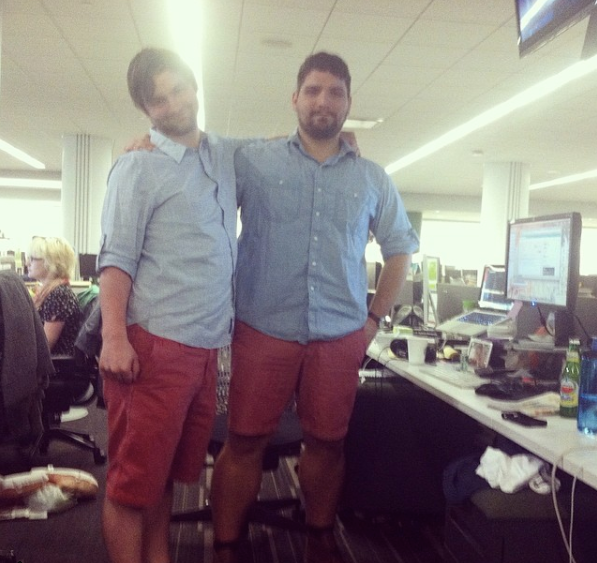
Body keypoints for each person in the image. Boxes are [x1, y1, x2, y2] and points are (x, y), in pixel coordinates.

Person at [209, 52, 419, 563]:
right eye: (314, 90)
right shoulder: (253, 159)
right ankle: (226, 544)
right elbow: (196, 153)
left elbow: (400, 251)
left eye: (336, 92)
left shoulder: (372, 177)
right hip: (263, 328)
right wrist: (148, 140)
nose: (324, 101)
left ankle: (321, 538)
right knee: (244, 442)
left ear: (348, 103)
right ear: (295, 98)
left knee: (327, 443)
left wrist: (372, 322)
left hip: (339, 333)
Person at [97, 47, 254, 563]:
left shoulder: (223, 155)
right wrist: (113, 337)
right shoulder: (138, 167)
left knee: (163, 476)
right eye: (157, 100)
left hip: (205, 348)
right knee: (129, 484)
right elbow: (116, 260)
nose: (172, 104)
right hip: (153, 346)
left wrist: (334, 137)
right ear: (146, 110)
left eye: (178, 89)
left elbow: (277, 148)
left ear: (195, 86)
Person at [28, 236, 82, 356]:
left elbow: (44, 347)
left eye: (33, 259)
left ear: (51, 263)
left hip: (55, 368)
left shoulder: (60, 295)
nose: (27, 263)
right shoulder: (49, 292)